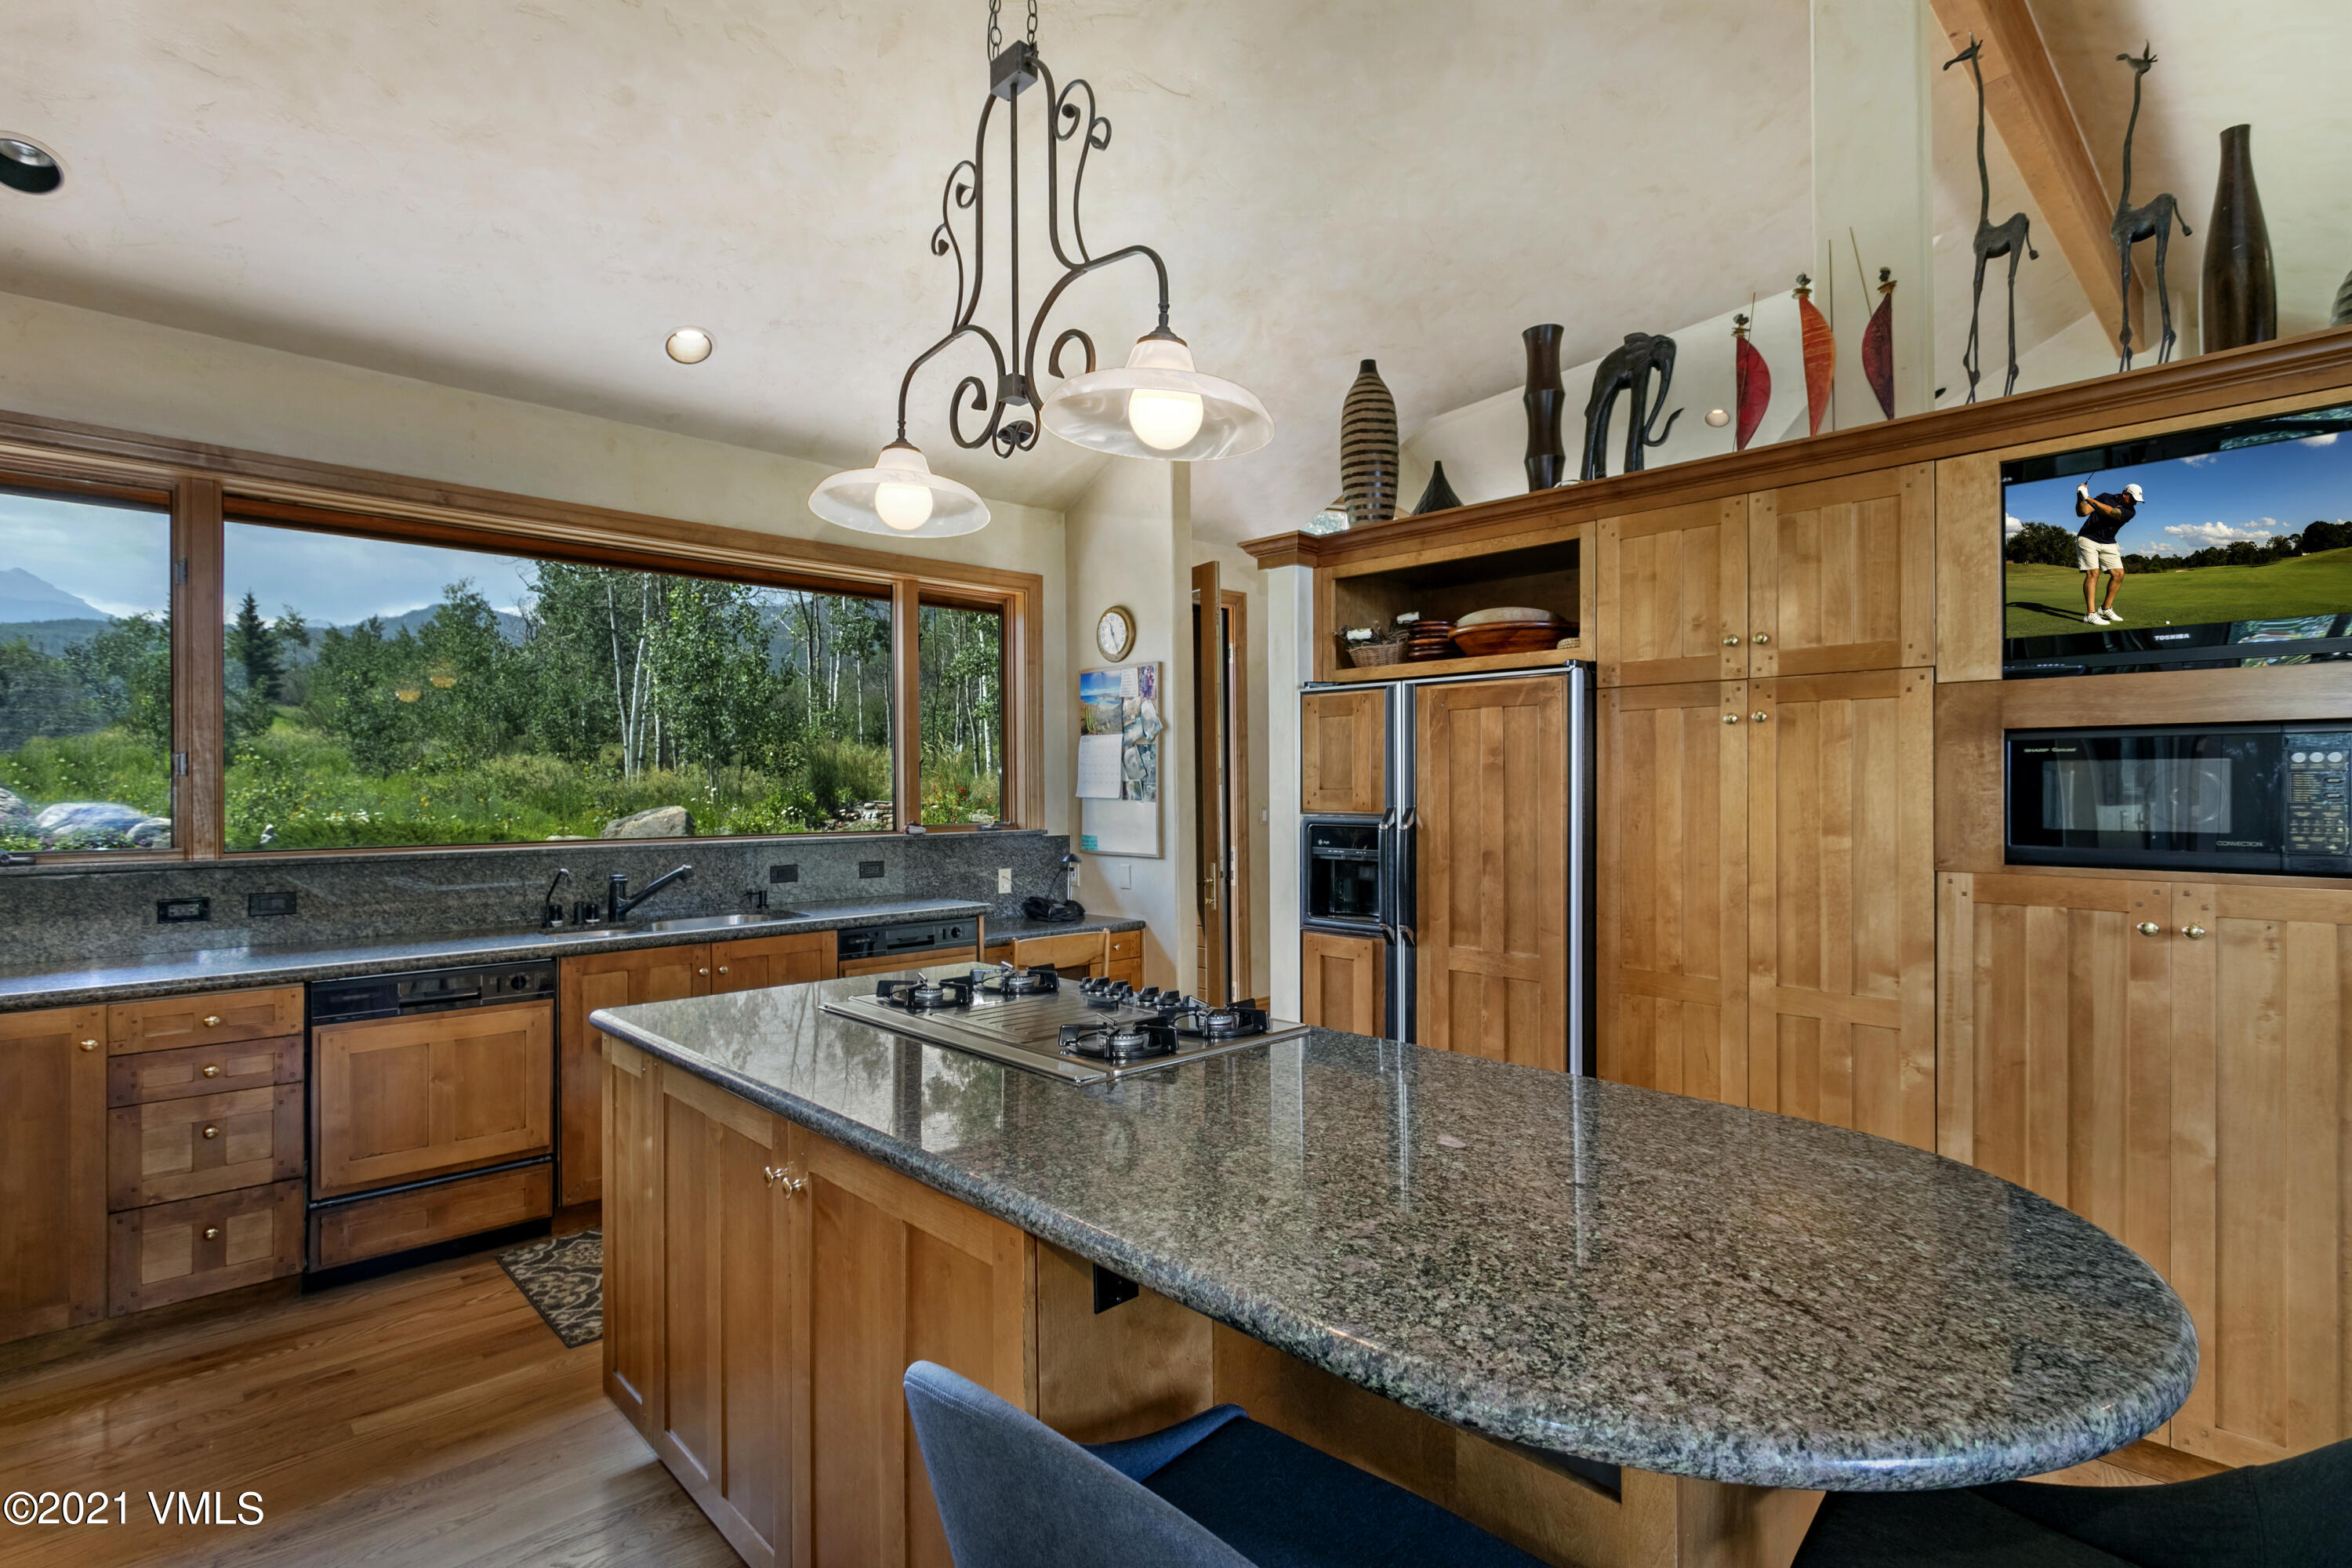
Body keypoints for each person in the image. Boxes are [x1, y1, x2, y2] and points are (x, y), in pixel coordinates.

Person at [2075, 481, 2142, 624]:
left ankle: (2105, 609)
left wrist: (2088, 497)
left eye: (2137, 501)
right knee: (2093, 573)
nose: (2135, 503)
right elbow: (2083, 512)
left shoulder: (2130, 512)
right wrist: (2081, 498)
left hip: (2108, 541)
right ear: (2125, 494)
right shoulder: (2105, 496)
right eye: (2133, 499)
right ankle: (2090, 614)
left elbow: (2111, 512)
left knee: (2119, 574)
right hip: (2088, 537)